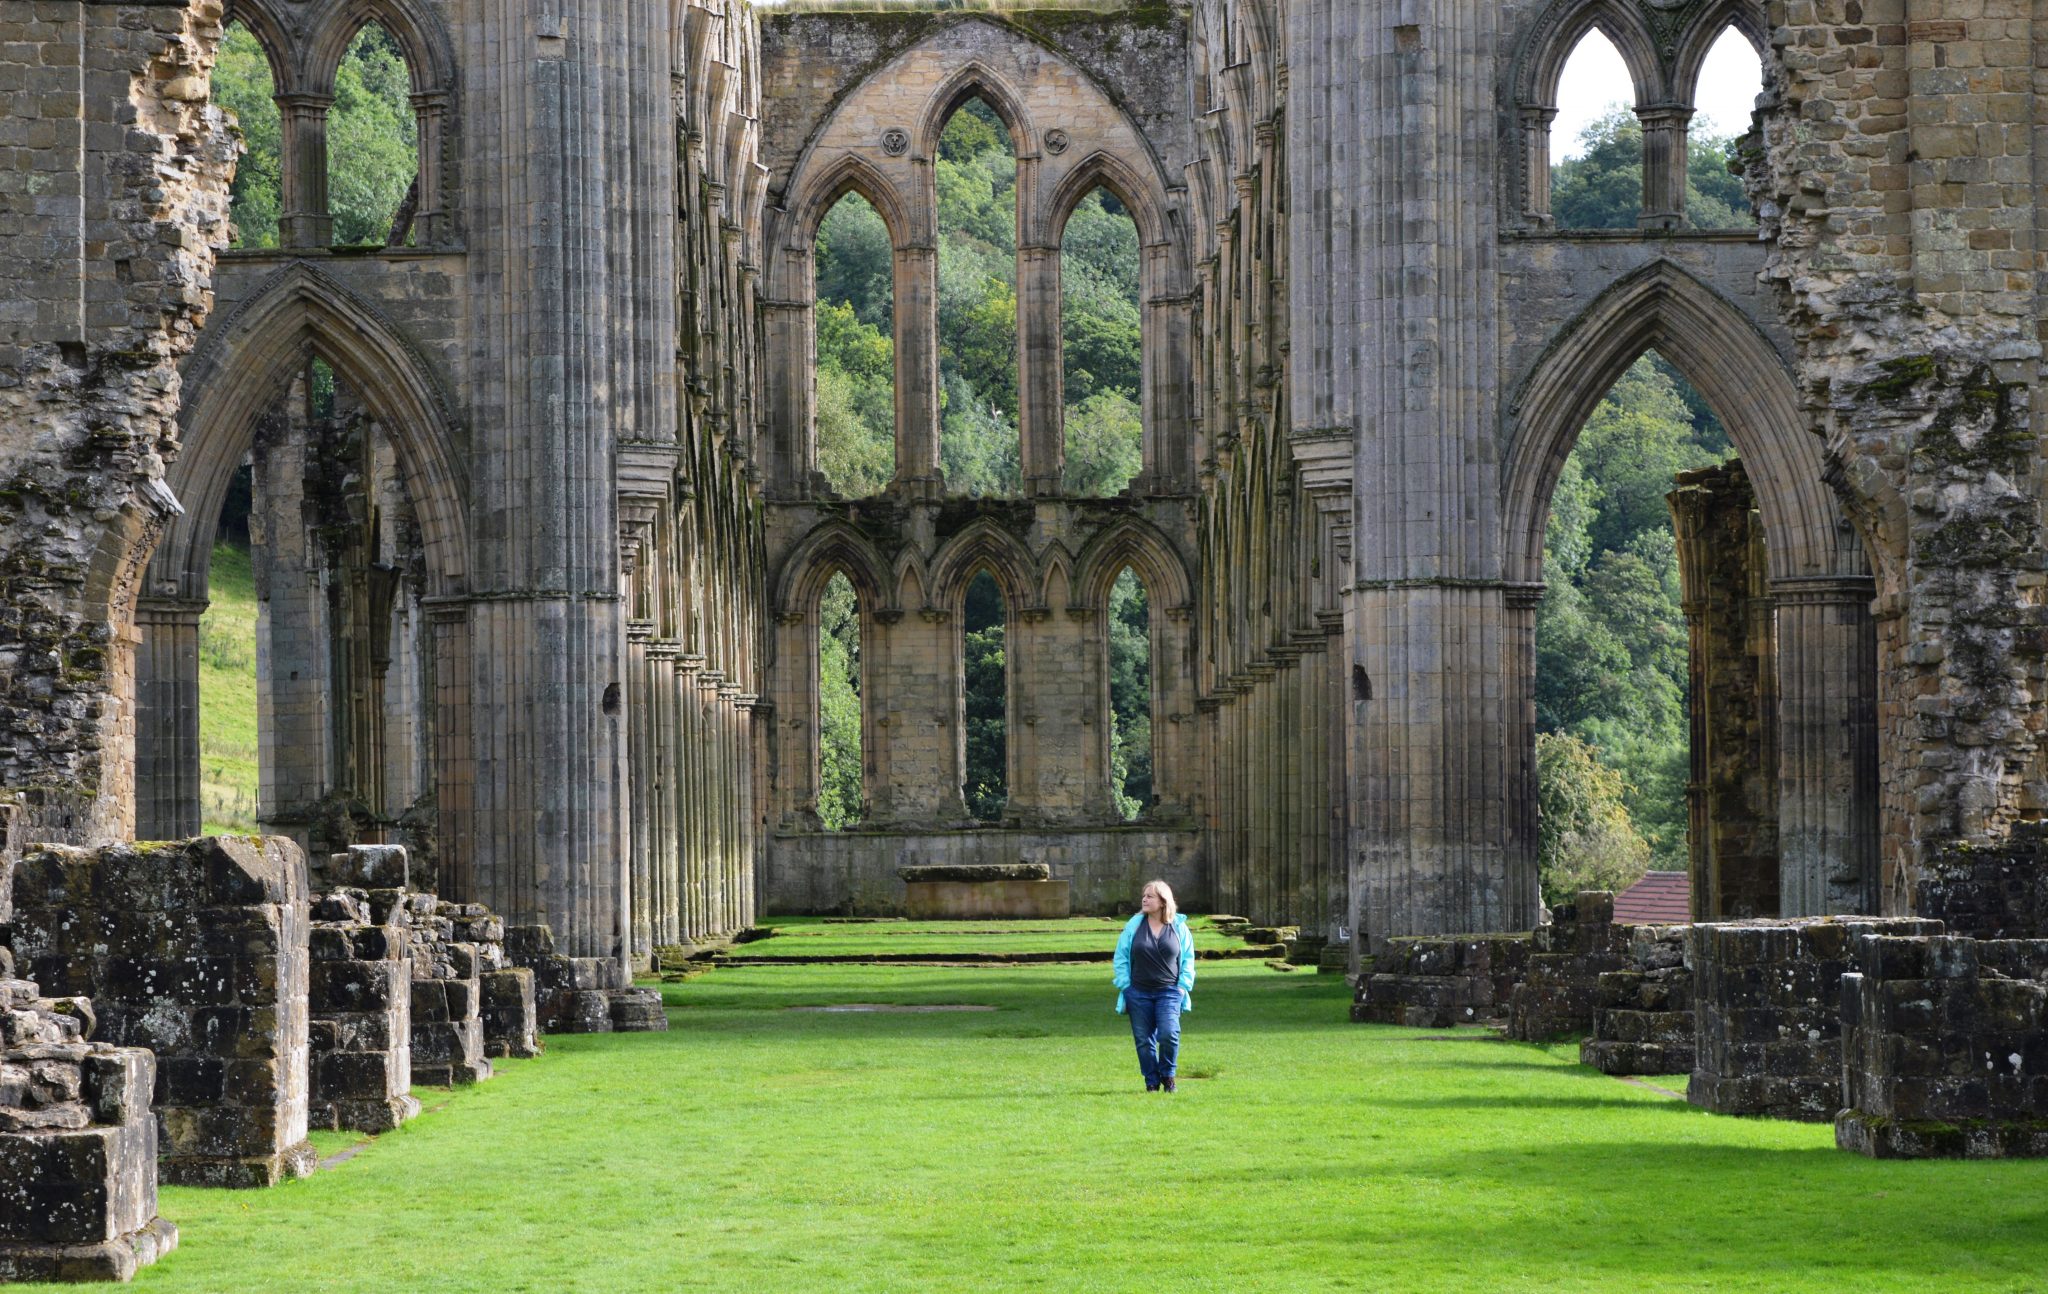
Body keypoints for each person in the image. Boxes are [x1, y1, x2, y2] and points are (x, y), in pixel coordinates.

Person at [1112, 879, 1195, 1092]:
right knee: (1143, 1040)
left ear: (1163, 901)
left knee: (1169, 1033)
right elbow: (1120, 956)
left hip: (1170, 991)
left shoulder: (1178, 927)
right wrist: (1126, 986)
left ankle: (1168, 1075)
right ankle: (1151, 1082)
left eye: (1150, 896)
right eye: (1144, 895)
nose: (1144, 899)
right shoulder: (1134, 925)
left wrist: (1182, 987)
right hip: (1138, 991)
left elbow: (1188, 959)